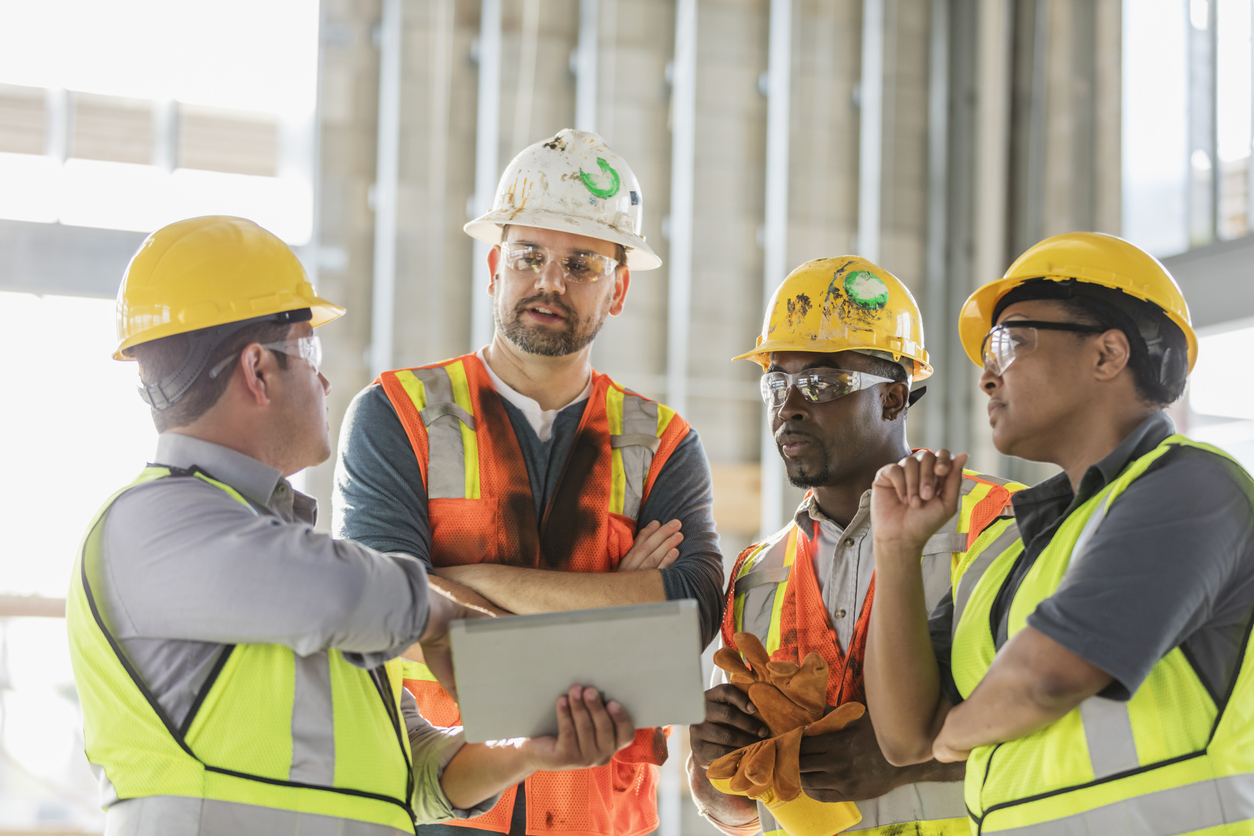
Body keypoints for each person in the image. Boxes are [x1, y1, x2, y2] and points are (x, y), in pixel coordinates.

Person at [67, 215, 636, 836]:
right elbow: (349, 594)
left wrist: (531, 749)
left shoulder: (289, 561)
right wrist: (447, 618)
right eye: (310, 351)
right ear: (257, 371)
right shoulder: (150, 526)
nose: (325, 379)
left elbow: (416, 774)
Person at [333, 128, 724, 836]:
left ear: (619, 288)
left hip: (600, 817)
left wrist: (458, 577)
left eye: (582, 264)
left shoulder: (661, 442)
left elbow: (691, 611)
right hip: (435, 807)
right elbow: (382, 605)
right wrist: (620, 603)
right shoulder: (398, 416)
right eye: (529, 257)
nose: (550, 282)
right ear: (494, 267)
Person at [864, 232, 1254, 834]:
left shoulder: (1193, 488)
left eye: (1010, 342)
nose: (987, 378)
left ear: (1108, 355)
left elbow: (1047, 678)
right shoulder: (1006, 550)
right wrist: (896, 549)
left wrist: (954, 735)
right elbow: (903, 738)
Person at [687, 256, 1026, 836]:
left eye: (822, 383)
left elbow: (1067, 718)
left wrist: (910, 758)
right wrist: (712, 767)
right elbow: (738, 814)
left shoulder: (999, 526)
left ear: (894, 399)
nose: (789, 405)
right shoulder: (757, 575)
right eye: (778, 382)